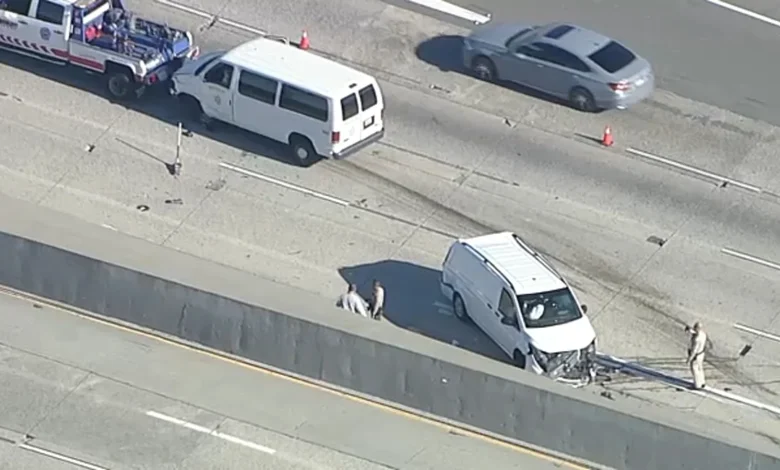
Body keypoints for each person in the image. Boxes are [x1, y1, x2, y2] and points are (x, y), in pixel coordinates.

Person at [686, 322, 707, 390]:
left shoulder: (697, 340)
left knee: (695, 369)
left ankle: (697, 385)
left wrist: (689, 359)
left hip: (696, 356)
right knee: (700, 368)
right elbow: (695, 333)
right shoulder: (703, 334)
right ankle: (702, 382)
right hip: (701, 354)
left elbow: (694, 350)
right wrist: (690, 330)